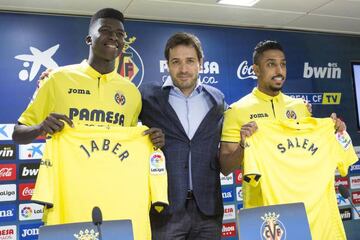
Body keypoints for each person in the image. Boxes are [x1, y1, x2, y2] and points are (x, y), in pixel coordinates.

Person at [219, 40, 345, 208]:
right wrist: (243, 145)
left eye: (283, 64)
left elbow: (310, 152)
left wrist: (335, 130)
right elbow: (225, 167)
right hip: (262, 209)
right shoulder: (236, 110)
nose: (279, 71)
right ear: (256, 70)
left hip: (302, 204)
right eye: (271, 64)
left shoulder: (301, 108)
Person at [12, 8, 164, 147]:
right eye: (105, 30)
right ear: (89, 39)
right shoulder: (56, 78)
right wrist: (40, 128)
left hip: (114, 176)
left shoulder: (131, 92)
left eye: (120, 34)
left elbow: (130, 142)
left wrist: (151, 140)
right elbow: (17, 134)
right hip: (67, 176)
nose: (113, 37)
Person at [140, 32, 225, 239]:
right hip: (165, 210)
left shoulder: (217, 99)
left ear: (201, 63)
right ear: (167, 64)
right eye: (176, 62)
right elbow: (117, 118)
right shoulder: (147, 96)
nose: (184, 69)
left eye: (190, 61)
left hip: (208, 210)